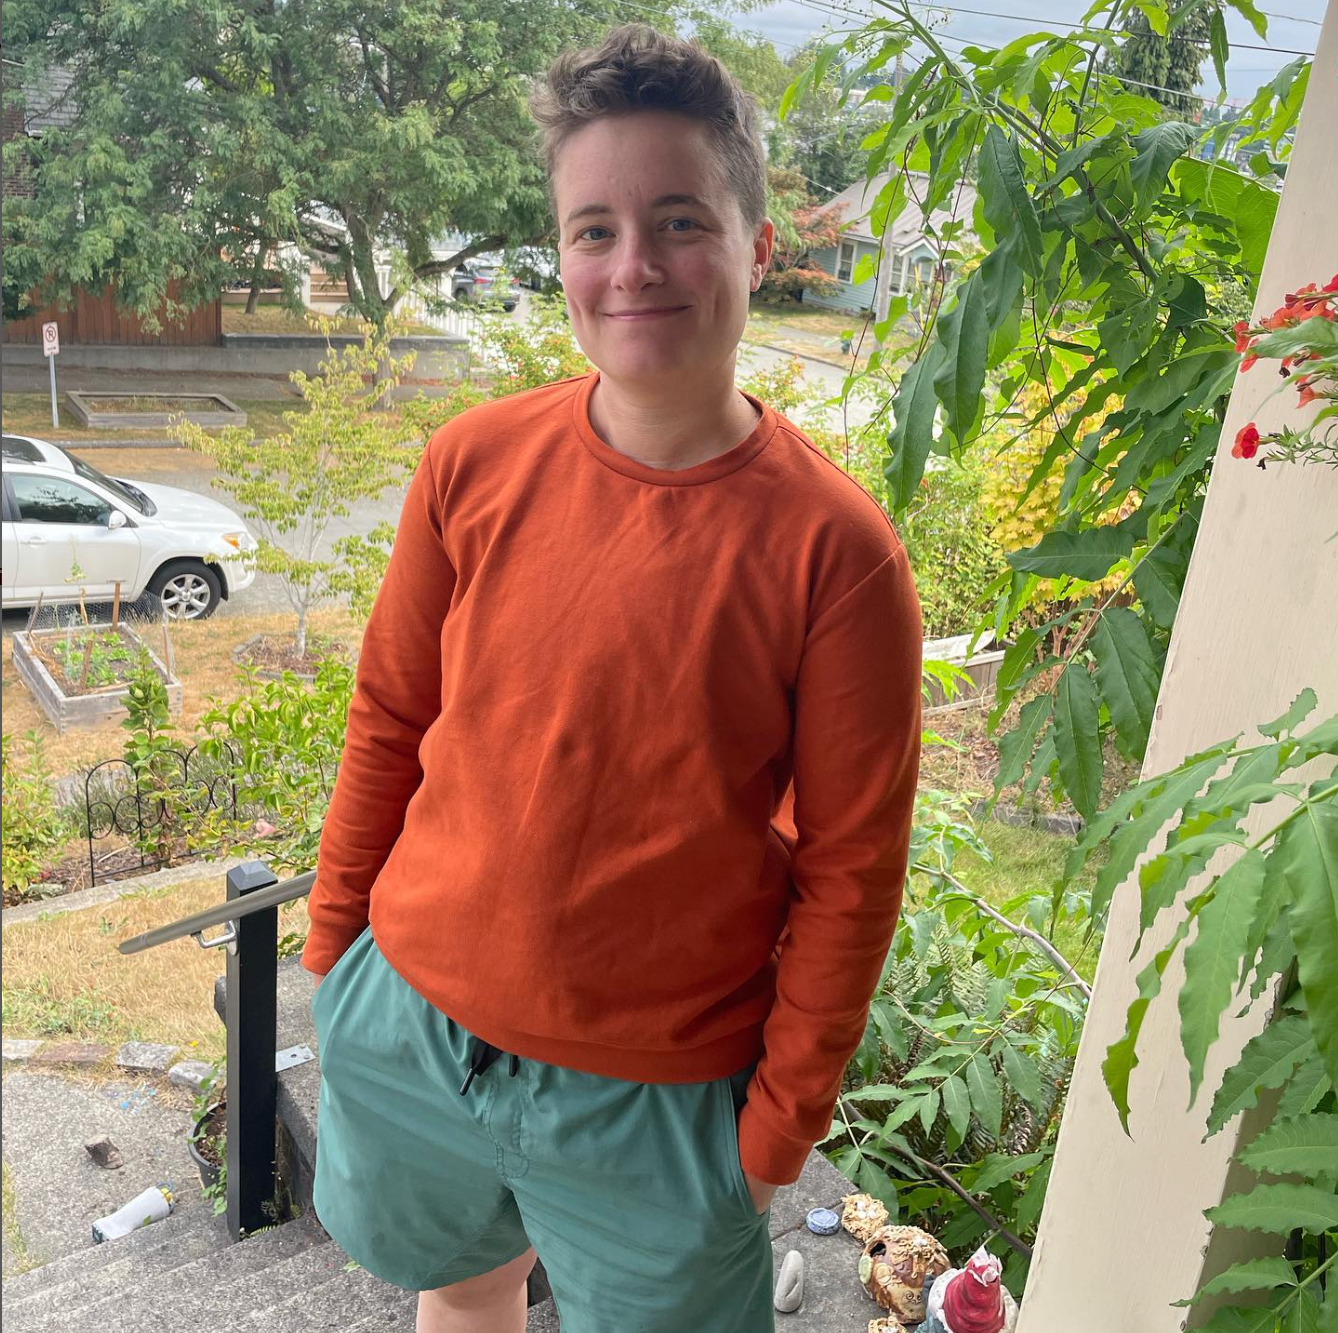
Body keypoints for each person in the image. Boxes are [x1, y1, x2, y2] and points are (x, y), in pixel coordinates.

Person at [301, 23, 922, 1333]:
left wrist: (770, 1141)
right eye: (593, 230)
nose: (632, 265)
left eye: (678, 220)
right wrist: (336, 948)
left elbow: (850, 869)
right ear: (563, 254)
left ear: (757, 246)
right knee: (461, 1296)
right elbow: (392, 719)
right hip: (412, 1030)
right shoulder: (469, 464)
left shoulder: (835, 553)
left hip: (659, 1105)